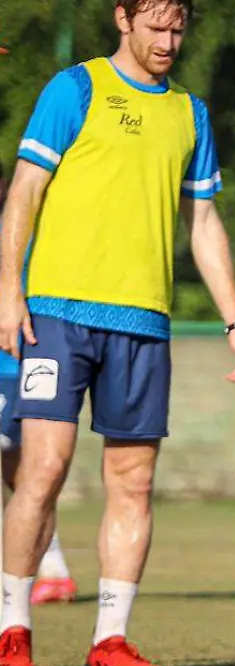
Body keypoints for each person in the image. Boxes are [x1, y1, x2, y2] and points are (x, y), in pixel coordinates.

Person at [0, 1, 235, 666]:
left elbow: (203, 223)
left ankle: (108, 643)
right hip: (57, 312)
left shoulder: (190, 114)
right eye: (156, 27)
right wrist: (8, 293)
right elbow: (25, 191)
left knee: (134, 483)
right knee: (43, 470)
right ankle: (13, 632)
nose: (169, 41)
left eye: (178, 29)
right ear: (123, 18)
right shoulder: (75, 88)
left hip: (144, 323)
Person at [0, 166, 78, 606]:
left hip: (12, 367)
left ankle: (49, 570)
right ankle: (52, 568)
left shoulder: (22, 232)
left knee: (31, 476)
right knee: (23, 479)